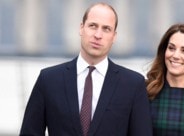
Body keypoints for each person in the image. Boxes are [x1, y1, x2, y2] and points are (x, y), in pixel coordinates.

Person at [20, 2, 152, 136]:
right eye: (93, 26)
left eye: (106, 29)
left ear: (114, 36)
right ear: (81, 28)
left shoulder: (133, 84)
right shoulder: (48, 79)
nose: (98, 35)